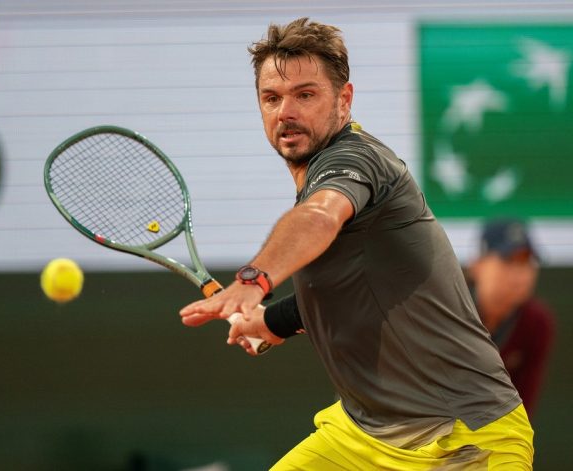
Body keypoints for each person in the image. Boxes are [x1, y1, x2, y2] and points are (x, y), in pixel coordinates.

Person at [179, 17, 533, 470]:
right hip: (361, 437)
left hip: (464, 436)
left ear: (343, 100)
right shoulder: (319, 177)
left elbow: (318, 218)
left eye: (305, 95)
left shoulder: (356, 159)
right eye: (272, 98)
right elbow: (353, 287)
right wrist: (272, 321)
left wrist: (254, 280)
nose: (286, 112)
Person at [468, 218, 556, 417]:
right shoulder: (447, 310)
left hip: (500, 429)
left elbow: (523, 409)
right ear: (477, 266)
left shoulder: (537, 322)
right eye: (508, 260)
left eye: (526, 262)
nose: (519, 273)